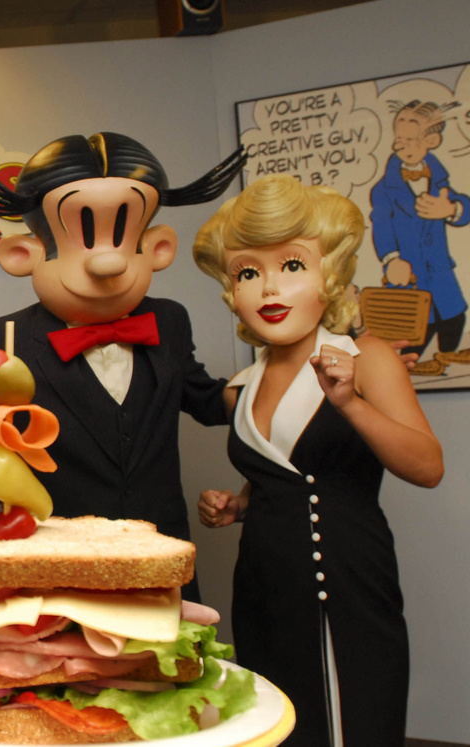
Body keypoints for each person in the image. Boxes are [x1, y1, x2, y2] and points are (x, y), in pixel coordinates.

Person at [193, 174, 443, 747]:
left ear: (327, 275)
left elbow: (428, 467)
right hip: (262, 583)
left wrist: (349, 402)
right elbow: (285, 466)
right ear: (232, 289)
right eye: (249, 272)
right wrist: (237, 505)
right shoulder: (243, 384)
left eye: (292, 266)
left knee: (356, 717)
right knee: (279, 723)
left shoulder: (365, 357)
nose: (269, 289)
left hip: (346, 578)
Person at [0, 132, 244, 601]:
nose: (107, 262)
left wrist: (282, 375)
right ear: (22, 255)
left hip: (161, 548)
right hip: (59, 556)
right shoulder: (7, 337)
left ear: (157, 247)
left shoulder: (168, 321)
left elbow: (207, 400)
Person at [370, 99, 470, 375]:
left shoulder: (440, 180)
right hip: (409, 275)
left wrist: (452, 209)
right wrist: (391, 259)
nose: (400, 146)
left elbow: (464, 204)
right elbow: (381, 225)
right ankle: (409, 367)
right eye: (399, 139)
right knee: (415, 326)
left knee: (453, 315)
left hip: (440, 271)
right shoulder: (384, 189)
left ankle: (448, 356)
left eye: (411, 139)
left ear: (432, 140)